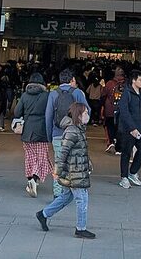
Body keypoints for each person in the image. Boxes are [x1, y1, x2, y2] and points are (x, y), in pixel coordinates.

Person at [35, 102, 96, 239]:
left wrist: (88, 163)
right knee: (82, 199)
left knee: (66, 197)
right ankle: (81, 228)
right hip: (74, 172)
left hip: (76, 170)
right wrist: (56, 171)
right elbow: (62, 153)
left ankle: (43, 214)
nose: (88, 115)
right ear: (78, 116)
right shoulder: (72, 131)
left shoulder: (78, 129)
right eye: (85, 113)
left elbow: (80, 151)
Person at [46, 68, 90, 199]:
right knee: (74, 163)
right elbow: (87, 111)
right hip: (75, 134)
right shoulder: (77, 93)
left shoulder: (53, 94)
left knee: (59, 162)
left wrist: (50, 135)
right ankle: (72, 190)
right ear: (73, 80)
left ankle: (58, 192)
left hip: (57, 134)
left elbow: (48, 116)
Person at [13, 72, 51, 198]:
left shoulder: (24, 95)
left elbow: (17, 112)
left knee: (29, 156)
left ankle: (31, 179)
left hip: (27, 130)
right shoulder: (47, 96)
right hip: (42, 130)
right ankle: (34, 179)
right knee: (41, 156)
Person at [117, 70, 141, 189]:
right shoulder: (127, 93)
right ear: (134, 81)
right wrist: (132, 128)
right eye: (140, 80)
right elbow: (124, 111)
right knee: (126, 153)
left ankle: (133, 172)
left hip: (139, 128)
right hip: (128, 129)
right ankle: (124, 177)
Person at [101, 68, 124, 153]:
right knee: (120, 128)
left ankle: (111, 142)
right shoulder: (126, 84)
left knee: (110, 127)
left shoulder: (109, 83)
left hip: (110, 109)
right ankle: (119, 147)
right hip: (121, 110)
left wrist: (102, 107)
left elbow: (103, 95)